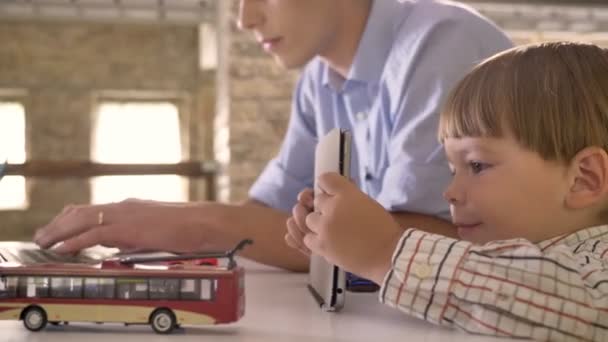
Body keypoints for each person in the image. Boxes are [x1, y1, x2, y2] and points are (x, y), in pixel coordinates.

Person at [33, 0, 512, 271]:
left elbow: (432, 244)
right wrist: (165, 236)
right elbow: (267, 215)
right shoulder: (317, 82)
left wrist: (200, 225)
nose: (245, 19)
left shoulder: (441, 41)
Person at [287, 42, 608, 340]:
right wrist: (350, 253)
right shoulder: (521, 260)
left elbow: (581, 305)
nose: (450, 192)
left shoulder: (597, 264)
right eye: (453, 170)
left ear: (585, 179)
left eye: (478, 165)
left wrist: (384, 252)